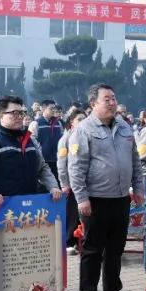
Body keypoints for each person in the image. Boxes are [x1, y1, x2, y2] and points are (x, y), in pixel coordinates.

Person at [69, 84, 141, 291]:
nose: (112, 103)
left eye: (113, 98)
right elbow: (76, 168)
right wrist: (82, 198)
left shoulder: (125, 127)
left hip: (121, 198)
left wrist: (138, 187)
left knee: (115, 250)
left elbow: (135, 161)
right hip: (95, 200)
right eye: (106, 99)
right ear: (93, 104)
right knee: (92, 251)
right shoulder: (83, 130)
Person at [0, 95, 61, 203]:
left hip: (30, 204)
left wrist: (53, 186)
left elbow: (42, 167)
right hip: (4, 206)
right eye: (15, 113)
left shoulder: (30, 140)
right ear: (1, 116)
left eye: (21, 113)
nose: (20, 117)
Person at [57, 107, 86, 255]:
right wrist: (65, 184)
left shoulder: (88, 136)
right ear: (71, 122)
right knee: (72, 213)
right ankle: (68, 241)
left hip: (87, 182)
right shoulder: (66, 139)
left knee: (83, 214)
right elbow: (62, 164)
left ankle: (79, 240)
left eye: (84, 119)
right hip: (72, 182)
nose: (82, 122)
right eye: (79, 119)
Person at [32, 99, 63, 182]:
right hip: (43, 161)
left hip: (57, 159)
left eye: (54, 108)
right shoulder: (35, 124)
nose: (54, 110)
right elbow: (30, 141)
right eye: (51, 108)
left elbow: (62, 140)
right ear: (43, 109)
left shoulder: (58, 123)